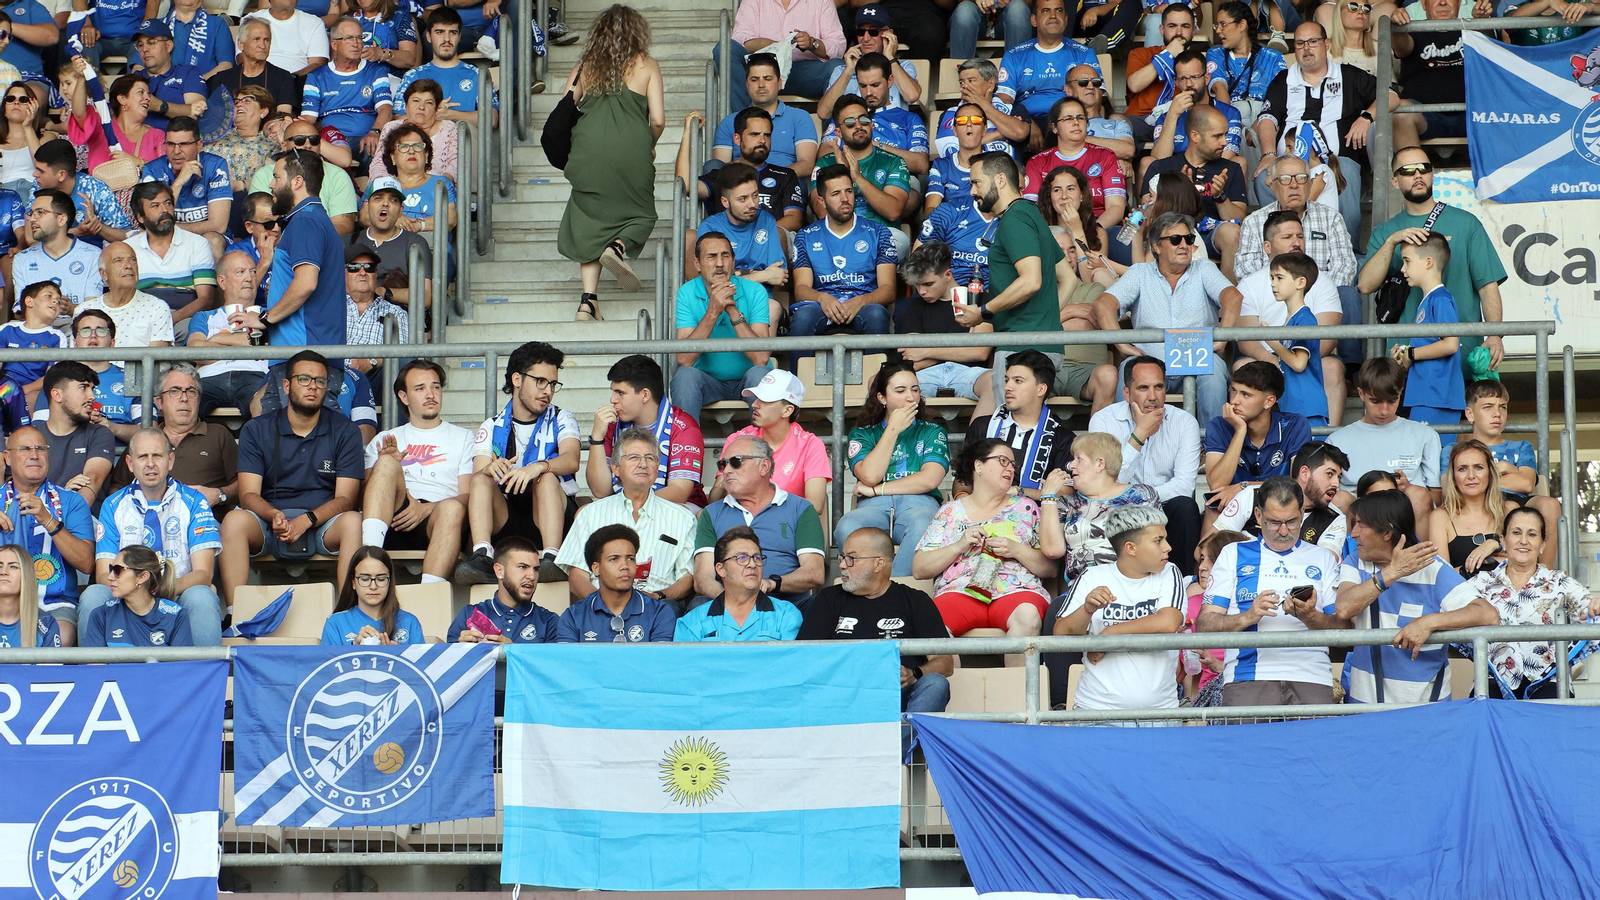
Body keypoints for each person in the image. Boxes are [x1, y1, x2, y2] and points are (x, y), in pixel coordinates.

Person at [219, 351, 364, 604]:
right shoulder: (257, 429)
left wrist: (308, 519)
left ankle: (347, 613)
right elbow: (248, 494)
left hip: (323, 522)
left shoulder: (346, 430)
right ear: (286, 385)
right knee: (233, 520)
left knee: (354, 521)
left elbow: (346, 499)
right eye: (304, 379)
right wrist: (273, 515)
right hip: (269, 521)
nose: (313, 387)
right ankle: (236, 613)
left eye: (320, 381)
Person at [1335, 488, 1495, 702]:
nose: (1353, 533)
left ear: (1386, 532)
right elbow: (1344, 608)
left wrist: (1429, 622)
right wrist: (1392, 573)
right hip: (1365, 706)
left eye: (1361, 525)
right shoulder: (1356, 561)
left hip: (1427, 709)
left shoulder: (1431, 566)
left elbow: (1487, 614)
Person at [1197, 476, 1346, 706]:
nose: (1284, 531)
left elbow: (1344, 630)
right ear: (1258, 516)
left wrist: (1310, 616)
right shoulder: (1232, 553)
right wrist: (1247, 617)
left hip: (1312, 677)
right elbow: (1204, 626)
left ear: (1302, 514)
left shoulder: (1323, 557)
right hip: (1247, 678)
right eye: (1274, 522)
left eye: (1292, 521)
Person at [803, 526, 953, 755]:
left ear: (878, 564)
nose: (842, 565)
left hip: (898, 699)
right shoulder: (828, 599)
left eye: (851, 558)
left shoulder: (915, 601)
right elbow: (805, 659)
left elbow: (946, 663)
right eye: (842, 557)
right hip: (845, 698)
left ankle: (891, 754)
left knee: (936, 684)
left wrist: (914, 674)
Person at [1361, 147, 1508, 377]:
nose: (1418, 175)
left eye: (1424, 168)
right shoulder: (1385, 233)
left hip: (1462, 354)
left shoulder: (1466, 223)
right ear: (1395, 181)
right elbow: (1365, 285)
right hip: (1406, 358)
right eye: (1408, 170)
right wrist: (1391, 242)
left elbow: (1488, 286)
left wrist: (1495, 335)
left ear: (1432, 174)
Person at [557, 5, 664, 323]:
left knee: (588, 216)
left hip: (586, 150)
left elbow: (565, 107)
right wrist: (649, 145)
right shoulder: (647, 64)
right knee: (643, 213)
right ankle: (618, 246)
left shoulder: (585, 65)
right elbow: (658, 120)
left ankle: (587, 302)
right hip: (631, 149)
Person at [1094, 211, 1241, 425]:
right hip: (1150, 362)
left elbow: (1233, 297)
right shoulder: (1140, 273)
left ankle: (1213, 443)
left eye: (1188, 239)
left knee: (1215, 370)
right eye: (1175, 239)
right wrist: (1123, 346)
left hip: (1199, 361)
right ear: (1156, 246)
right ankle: (1128, 442)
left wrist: (1222, 339)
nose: (1184, 245)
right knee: (1128, 367)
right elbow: (1103, 304)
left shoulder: (1204, 269)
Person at [456, 341, 581, 584]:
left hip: (553, 513)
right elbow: (478, 476)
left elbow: (572, 459)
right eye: (540, 381)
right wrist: (489, 468)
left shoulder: (561, 417)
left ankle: (552, 558)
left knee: (546, 478)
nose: (548, 391)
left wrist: (539, 466)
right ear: (517, 379)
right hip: (507, 516)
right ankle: (482, 555)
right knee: (481, 479)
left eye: (552, 384)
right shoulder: (492, 425)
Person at [1255, 22, 1394, 241]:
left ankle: (1347, 247)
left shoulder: (1348, 75)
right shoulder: (1283, 80)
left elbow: (1391, 96)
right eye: (1300, 43)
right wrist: (1269, 154)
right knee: (1263, 175)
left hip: (1337, 160)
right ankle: (1278, 243)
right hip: (1290, 161)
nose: (1306, 48)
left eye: (1312, 41)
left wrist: (1366, 117)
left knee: (1346, 170)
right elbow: (1266, 118)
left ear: (1326, 44)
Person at [85, 427, 223, 646]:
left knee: (201, 596)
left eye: (157, 455)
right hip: (127, 596)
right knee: (93, 595)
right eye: (142, 457)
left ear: (170, 460)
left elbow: (203, 574)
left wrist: (161, 589)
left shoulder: (195, 502)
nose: (150, 463)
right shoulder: (113, 505)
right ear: (130, 463)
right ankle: (94, 667)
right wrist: (135, 591)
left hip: (178, 593)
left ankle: (203, 668)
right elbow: (103, 573)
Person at [953, 152, 1068, 404]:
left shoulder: (1015, 218)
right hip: (1043, 345)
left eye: (976, 182)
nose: (972, 191)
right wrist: (1043, 319)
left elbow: (1031, 281)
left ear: (1001, 179)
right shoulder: (1031, 213)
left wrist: (983, 312)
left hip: (1020, 349)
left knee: (1009, 424)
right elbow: (1068, 278)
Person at [1449, 508, 1600, 698]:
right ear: (1503, 540)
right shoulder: (1481, 583)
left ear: (1543, 543)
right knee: (1482, 708)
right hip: (1493, 682)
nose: (1523, 541)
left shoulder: (1560, 581)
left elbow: (1592, 608)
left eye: (1532, 534)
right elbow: (1447, 611)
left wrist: (1596, 606)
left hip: (1550, 683)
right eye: (1516, 532)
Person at [1055, 505, 1187, 715]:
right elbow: (1060, 634)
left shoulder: (1170, 572)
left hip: (1160, 713)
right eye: (1158, 540)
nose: (1168, 547)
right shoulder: (1092, 576)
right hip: (1095, 712)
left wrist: (1108, 634)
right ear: (1131, 548)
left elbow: (1168, 623)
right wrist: (1087, 609)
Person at [914, 438, 1054, 637]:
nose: (1010, 469)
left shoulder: (1026, 507)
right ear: (978, 466)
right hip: (960, 591)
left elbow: (1050, 569)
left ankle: (1015, 661)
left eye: (1013, 464)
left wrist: (1016, 550)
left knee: (1028, 617)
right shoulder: (949, 511)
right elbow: (919, 569)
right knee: (931, 624)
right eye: (1003, 461)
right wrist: (958, 546)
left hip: (1016, 589)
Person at [360, 360, 472, 585]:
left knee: (452, 508)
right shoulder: (385, 438)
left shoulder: (465, 438)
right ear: (404, 397)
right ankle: (370, 559)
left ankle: (429, 593)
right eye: (420, 388)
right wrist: (385, 463)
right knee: (387, 462)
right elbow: (364, 496)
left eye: (435, 387)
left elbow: (469, 496)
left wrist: (425, 509)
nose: (430, 394)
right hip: (392, 517)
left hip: (440, 521)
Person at [1089, 354, 1203, 575]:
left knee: (1185, 507)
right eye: (1143, 388)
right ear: (1127, 393)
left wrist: (1144, 498)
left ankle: (1183, 581)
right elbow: (1106, 482)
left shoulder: (1184, 422)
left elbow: (1184, 486)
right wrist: (1139, 435)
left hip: (1164, 505)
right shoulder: (1103, 420)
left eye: (1158, 387)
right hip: (1118, 507)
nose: (1152, 396)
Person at [560, 426, 696, 607]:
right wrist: (604, 605)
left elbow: (687, 577)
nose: (643, 464)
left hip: (657, 608)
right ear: (616, 469)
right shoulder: (590, 514)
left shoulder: (682, 518)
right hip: (601, 608)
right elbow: (577, 576)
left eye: (650, 458)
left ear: (657, 469)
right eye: (633, 457)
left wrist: (657, 596)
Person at [835, 362, 948, 576]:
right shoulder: (862, 434)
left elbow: (930, 479)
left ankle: (894, 590)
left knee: (924, 523)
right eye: (900, 390)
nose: (910, 397)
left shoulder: (932, 430)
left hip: (919, 503)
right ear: (882, 398)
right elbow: (870, 475)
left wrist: (878, 489)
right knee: (847, 525)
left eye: (915, 390)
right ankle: (868, 589)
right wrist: (893, 430)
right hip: (873, 507)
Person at [694, 434, 826, 610]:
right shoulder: (711, 514)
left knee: (821, 606)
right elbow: (702, 578)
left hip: (787, 605)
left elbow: (815, 573)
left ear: (764, 466)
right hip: (727, 606)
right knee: (698, 606)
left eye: (736, 462)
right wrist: (732, 600)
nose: (726, 471)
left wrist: (771, 584)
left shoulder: (800, 509)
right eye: (723, 464)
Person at [0, 425, 93, 645]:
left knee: (60, 637)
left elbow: (87, 563)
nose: (34, 455)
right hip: (3, 602)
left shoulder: (71, 501)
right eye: (25, 449)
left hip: (54, 604)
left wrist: (48, 520)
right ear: (8, 458)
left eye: (40, 448)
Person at [246, 148, 347, 349]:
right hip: (306, 348)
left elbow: (306, 283)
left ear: (297, 182)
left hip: (304, 351)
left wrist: (266, 318)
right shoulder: (311, 217)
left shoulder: (305, 220)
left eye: (276, 177)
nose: (271, 185)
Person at [103, 362, 237, 513]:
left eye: (191, 391)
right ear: (160, 402)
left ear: (199, 400)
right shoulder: (145, 440)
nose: (184, 398)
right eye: (175, 391)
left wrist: (218, 494)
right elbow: (117, 487)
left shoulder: (218, 435)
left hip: (203, 521)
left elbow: (243, 486)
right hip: (148, 521)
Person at [1328, 357, 1440, 537]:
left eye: (1392, 400)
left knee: (1419, 496)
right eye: (1376, 401)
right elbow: (1328, 491)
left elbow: (1435, 495)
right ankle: (1345, 554)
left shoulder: (1425, 435)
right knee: (1339, 499)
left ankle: (1419, 553)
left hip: (1404, 515)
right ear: (1361, 393)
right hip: (1358, 514)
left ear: (1401, 393)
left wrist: (1407, 488)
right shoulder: (1337, 440)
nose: (1384, 410)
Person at [669, 231, 773, 423]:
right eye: (711, 256)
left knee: (760, 373)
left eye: (725, 256)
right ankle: (685, 442)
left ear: (733, 262)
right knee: (684, 376)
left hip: (748, 381)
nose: (719, 263)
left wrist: (732, 310)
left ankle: (764, 442)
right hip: (707, 382)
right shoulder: (686, 293)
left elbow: (761, 358)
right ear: (697, 264)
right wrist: (713, 311)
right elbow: (684, 359)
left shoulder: (755, 291)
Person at [1458, 379, 1561, 563]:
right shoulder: (1456, 450)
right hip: (1475, 501)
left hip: (1516, 500)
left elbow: (1526, 483)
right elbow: (1451, 486)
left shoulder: (1521, 446)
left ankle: (1544, 574)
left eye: (1503, 407)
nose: (1497, 413)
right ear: (1470, 413)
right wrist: (1507, 470)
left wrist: (1482, 477)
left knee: (1550, 505)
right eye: (1488, 407)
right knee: (1509, 507)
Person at [791, 163, 897, 340]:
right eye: (836, 194)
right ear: (822, 201)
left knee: (876, 314)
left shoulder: (879, 233)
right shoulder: (806, 236)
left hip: (864, 304)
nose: (845, 198)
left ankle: (880, 361)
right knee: (803, 317)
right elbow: (801, 288)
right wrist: (822, 298)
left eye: (848, 191)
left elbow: (889, 290)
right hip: (822, 306)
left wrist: (861, 300)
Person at [585, 354, 706, 508]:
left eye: (620, 393)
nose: (612, 399)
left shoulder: (684, 427)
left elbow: (679, 492)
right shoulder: (611, 424)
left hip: (674, 507)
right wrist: (596, 438)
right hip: (624, 505)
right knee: (582, 512)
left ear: (645, 395)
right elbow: (600, 491)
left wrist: (630, 507)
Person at [1138, 106, 1246, 278]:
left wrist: (1220, 197)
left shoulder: (1231, 168)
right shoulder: (1162, 167)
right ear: (1195, 136)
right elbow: (1148, 214)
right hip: (1170, 236)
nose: (1225, 142)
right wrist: (1183, 195)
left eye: (1225, 135)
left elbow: (1239, 220)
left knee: (1231, 232)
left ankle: (1226, 292)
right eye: (1217, 136)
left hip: (1211, 235)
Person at [1040, 431, 1160, 580]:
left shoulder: (1141, 495)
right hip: (1084, 586)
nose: (1071, 465)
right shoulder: (1066, 503)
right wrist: (1048, 497)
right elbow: (1052, 550)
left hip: (1135, 582)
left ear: (1100, 464)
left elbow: (1155, 544)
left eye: (1079, 459)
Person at [715, 370, 832, 520]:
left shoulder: (810, 445)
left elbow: (815, 505)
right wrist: (724, 482)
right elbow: (715, 501)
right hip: (739, 523)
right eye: (756, 398)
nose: (755, 404)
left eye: (765, 400)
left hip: (787, 525)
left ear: (787, 410)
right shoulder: (737, 440)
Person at [817, 54, 929, 205]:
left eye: (875, 85)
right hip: (848, 181)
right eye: (863, 86)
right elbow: (824, 154)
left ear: (890, 81)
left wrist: (872, 147)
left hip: (894, 180)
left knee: (911, 197)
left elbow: (921, 164)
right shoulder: (845, 117)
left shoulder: (909, 119)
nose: (868, 92)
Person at [965, 350, 1075, 496]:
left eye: (1018, 381)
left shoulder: (1063, 439)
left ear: (1041, 389)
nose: (1007, 387)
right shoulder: (982, 426)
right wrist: (961, 504)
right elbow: (963, 480)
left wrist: (1018, 492)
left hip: (1037, 511)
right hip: (983, 509)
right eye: (1007, 380)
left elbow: (1065, 492)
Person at [1210, 440, 1350, 555]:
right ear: (1304, 473)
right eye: (1329, 474)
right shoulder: (1253, 496)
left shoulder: (1335, 519)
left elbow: (1325, 563)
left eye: (1339, 477)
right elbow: (1209, 547)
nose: (1336, 484)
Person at [898, 240, 994, 406]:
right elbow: (913, 359)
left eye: (928, 284)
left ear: (948, 275)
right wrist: (962, 351)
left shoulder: (979, 299)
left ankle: (980, 426)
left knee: (994, 382)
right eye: (917, 285)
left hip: (970, 373)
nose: (922, 291)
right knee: (882, 383)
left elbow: (980, 352)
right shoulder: (914, 306)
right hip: (926, 375)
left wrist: (927, 351)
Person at [810, 96, 911, 246]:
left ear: (871, 125)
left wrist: (857, 177)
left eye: (863, 120)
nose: (858, 126)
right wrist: (843, 174)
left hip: (881, 235)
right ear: (838, 132)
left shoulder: (893, 161)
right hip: (838, 236)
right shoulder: (824, 163)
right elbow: (821, 212)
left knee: (896, 241)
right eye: (850, 122)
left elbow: (893, 211)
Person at [684, 107, 805, 230]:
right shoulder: (722, 175)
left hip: (771, 238)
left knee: (780, 235)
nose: (762, 140)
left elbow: (794, 219)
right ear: (737, 139)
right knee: (689, 236)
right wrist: (688, 133)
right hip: (728, 240)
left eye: (767, 135)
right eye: (754, 134)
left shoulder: (785, 175)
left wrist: (758, 235)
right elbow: (687, 186)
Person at [674, 525, 801, 641]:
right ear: (721, 569)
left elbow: (790, 659)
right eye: (742, 558)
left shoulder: (786, 615)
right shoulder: (692, 622)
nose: (752, 564)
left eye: (757, 558)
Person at [1204, 360, 1312, 495]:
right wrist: (1240, 431)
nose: (1234, 401)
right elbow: (1216, 485)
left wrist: (1245, 486)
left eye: (1246, 395)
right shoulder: (1219, 426)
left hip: (1281, 504)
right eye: (1233, 391)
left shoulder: (1295, 426)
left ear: (1269, 401)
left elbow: (1299, 486)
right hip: (1232, 505)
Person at [1392, 233, 1465, 434]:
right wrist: (1405, 357)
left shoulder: (1440, 299)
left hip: (1437, 396)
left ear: (1428, 262)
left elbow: (1450, 344)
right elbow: (1429, 345)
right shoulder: (1428, 300)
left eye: (1407, 261)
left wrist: (1412, 354)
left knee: (1434, 453)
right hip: (1425, 394)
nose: (1402, 269)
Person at [557, 523, 678, 643]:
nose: (625, 566)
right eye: (614, 559)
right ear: (596, 568)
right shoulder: (573, 617)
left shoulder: (659, 612)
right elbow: (566, 656)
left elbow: (659, 656)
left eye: (630, 558)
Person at [35, 311, 141, 444]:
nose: (93, 335)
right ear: (75, 342)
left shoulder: (130, 379)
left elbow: (149, 431)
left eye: (101, 331)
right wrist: (77, 423)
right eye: (85, 331)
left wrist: (112, 428)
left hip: (120, 455)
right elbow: (38, 431)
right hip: (66, 453)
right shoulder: (57, 378)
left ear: (112, 342)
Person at [720, 0, 845, 111]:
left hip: (803, 73)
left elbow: (838, 46)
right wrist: (778, 46)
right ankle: (746, 119)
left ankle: (834, 128)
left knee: (838, 68)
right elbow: (740, 37)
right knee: (726, 49)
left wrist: (812, 43)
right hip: (763, 69)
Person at [1023, 97, 1126, 231]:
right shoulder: (1037, 162)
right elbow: (1033, 210)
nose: (1076, 122)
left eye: (1080, 117)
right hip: (1054, 233)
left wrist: (1092, 233)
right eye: (1068, 118)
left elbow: (1116, 207)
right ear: (1054, 128)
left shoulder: (1106, 156)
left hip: (1100, 229)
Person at [186, 250, 269, 415]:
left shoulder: (268, 315)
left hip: (255, 376)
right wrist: (247, 344)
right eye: (240, 272)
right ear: (222, 282)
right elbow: (195, 350)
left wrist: (219, 338)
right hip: (209, 378)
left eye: (253, 272)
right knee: (184, 406)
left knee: (264, 407)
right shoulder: (205, 317)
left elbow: (270, 347)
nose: (249, 278)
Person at [688, 163, 788, 300]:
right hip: (722, 301)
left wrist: (737, 275)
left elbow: (779, 275)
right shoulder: (710, 227)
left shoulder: (766, 219)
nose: (752, 204)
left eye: (755, 195)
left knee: (774, 308)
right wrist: (763, 275)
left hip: (759, 299)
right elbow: (714, 283)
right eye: (743, 199)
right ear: (725, 202)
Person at [301, 17, 394, 163]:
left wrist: (375, 132)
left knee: (375, 151)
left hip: (366, 138)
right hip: (330, 140)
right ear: (334, 44)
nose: (356, 44)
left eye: (359, 38)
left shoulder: (376, 71)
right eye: (349, 38)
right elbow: (309, 118)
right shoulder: (316, 76)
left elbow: (385, 109)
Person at [995, 0, 1102, 125]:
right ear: (1034, 20)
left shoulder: (1084, 53)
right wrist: (1023, 123)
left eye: (1059, 10)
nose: (1053, 16)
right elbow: (1004, 100)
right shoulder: (1014, 55)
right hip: (1028, 123)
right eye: (1046, 10)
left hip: (1071, 122)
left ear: (1066, 19)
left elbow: (1095, 98)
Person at [712, 53, 823, 172]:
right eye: (754, 79)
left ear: (779, 83)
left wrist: (774, 177)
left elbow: (807, 165)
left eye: (767, 79)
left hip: (786, 180)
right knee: (712, 166)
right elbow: (719, 169)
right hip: (742, 180)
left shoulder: (799, 117)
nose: (761, 85)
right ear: (746, 84)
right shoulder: (730, 121)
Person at [139, 116, 230, 259]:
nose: (176, 151)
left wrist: (171, 229)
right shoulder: (152, 170)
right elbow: (152, 219)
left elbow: (219, 226)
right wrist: (178, 183)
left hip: (204, 236)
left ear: (199, 145)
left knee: (212, 240)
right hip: (167, 240)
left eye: (183, 144)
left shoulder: (215, 166)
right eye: (171, 144)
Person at [124, 182, 216, 324]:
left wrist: (170, 319)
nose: (164, 210)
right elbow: (122, 298)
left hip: (184, 319)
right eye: (155, 206)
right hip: (141, 319)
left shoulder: (197, 244)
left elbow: (206, 299)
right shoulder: (128, 248)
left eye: (167, 203)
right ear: (140, 217)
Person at [246, 120, 360, 234]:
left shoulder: (338, 175)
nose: (308, 145)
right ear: (284, 145)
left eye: (314, 140)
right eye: (299, 140)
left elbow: (343, 225)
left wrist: (307, 238)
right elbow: (259, 223)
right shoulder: (263, 175)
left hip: (320, 242)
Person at [1255, 251, 1328, 425]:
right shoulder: (1291, 320)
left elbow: (1299, 363)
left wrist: (1272, 340)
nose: (1273, 283)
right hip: (1293, 406)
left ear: (1300, 282)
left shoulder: (1305, 318)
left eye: (1279, 278)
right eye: (1272, 278)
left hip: (1308, 406)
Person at [448, 536, 561, 643]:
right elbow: (447, 656)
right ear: (499, 571)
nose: (532, 576)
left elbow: (554, 658)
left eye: (536, 569)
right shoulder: (468, 614)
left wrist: (510, 651)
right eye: (523, 567)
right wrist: (461, 649)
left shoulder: (549, 622)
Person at [396, 7, 496, 128]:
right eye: (439, 32)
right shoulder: (413, 76)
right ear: (428, 37)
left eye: (453, 32)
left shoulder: (477, 74)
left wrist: (450, 115)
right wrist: (432, 114)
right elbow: (397, 119)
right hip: (423, 140)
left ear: (459, 36)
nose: (447, 39)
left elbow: (492, 119)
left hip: (464, 139)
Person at [816, 6, 923, 118]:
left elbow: (912, 96)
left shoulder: (903, 66)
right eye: (860, 32)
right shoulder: (842, 70)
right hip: (855, 127)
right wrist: (848, 71)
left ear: (888, 33)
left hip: (892, 127)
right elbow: (823, 113)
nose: (866, 38)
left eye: (873, 32)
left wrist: (890, 58)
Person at [1385, 0, 1466, 147]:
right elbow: (1401, 47)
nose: (1442, 2)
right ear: (1423, 4)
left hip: (1469, 115)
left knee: (1500, 106)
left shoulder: (1473, 32)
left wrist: (1483, 20)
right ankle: (1411, 162)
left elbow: (1489, 50)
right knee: (1401, 112)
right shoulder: (1414, 31)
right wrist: (1397, 26)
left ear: (1459, 3)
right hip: (1425, 116)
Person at [1429, 439, 1514, 577]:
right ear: (1453, 476)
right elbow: (1440, 577)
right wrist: (1486, 565)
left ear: (1490, 472)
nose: (1471, 476)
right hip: (1462, 590)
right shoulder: (1441, 517)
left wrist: (1495, 544)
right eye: (1462, 469)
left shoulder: (1509, 510)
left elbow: (1528, 562)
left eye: (1478, 467)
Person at [78, 545, 192, 647]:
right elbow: (94, 664)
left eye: (117, 570)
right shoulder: (101, 615)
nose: (110, 577)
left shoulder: (176, 616)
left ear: (142, 577)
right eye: (111, 569)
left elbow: (182, 664)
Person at [1148, 48, 1244, 167]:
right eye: (1183, 79)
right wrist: (1172, 116)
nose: (1189, 84)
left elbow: (1226, 157)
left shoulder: (1229, 113)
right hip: (1177, 174)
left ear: (1207, 78)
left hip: (1215, 173)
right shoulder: (1166, 117)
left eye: (1195, 77)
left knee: (1240, 162)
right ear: (1176, 82)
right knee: (1147, 162)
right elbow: (1158, 161)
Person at [29, 139, 133, 248]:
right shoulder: (38, 186)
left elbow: (127, 236)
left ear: (62, 175)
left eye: (41, 171)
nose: (34, 174)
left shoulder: (95, 189)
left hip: (94, 255)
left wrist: (97, 226)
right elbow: (30, 240)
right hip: (50, 254)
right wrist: (76, 232)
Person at [38, 362, 116, 507]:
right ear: (57, 395)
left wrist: (64, 504)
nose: (92, 396)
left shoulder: (100, 434)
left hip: (86, 519)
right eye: (83, 387)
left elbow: (92, 482)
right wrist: (62, 497)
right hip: (36, 519)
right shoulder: (31, 438)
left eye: (92, 389)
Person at [349, 177, 432, 310]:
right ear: (367, 206)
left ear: (400, 210)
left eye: (393, 200)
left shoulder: (415, 244)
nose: (385, 204)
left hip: (397, 319)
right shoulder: (348, 242)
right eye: (378, 198)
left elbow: (426, 296)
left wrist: (385, 292)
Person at [13, 190, 104, 310]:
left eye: (40, 212)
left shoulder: (93, 255)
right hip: (37, 322)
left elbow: (94, 311)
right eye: (31, 213)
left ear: (61, 219)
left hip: (78, 322)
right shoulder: (22, 259)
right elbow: (19, 311)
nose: (32, 219)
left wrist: (70, 309)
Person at [66, 68, 166, 174]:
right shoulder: (102, 125)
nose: (148, 98)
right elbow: (79, 113)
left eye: (148, 94)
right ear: (122, 99)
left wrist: (134, 161)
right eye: (141, 92)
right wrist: (82, 77)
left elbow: (164, 172)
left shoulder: (156, 135)